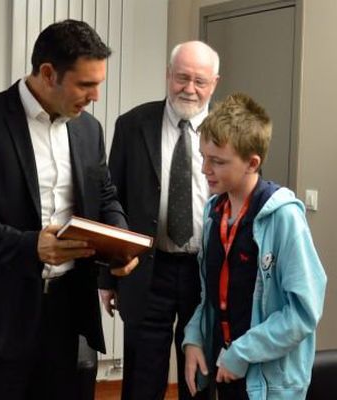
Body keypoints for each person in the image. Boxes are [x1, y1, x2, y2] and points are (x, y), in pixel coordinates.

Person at [0, 20, 137, 400]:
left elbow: (104, 195)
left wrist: (120, 242)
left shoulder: (88, 130)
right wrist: (30, 246)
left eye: (99, 84)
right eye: (85, 85)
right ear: (47, 73)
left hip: (65, 312)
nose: (95, 96)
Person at [183, 93, 327, 400]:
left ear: (252, 163)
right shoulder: (214, 213)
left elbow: (304, 311)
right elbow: (210, 297)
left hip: (268, 382)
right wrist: (194, 338)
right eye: (203, 157)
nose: (205, 169)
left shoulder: (284, 217)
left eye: (218, 162)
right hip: (226, 370)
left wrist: (242, 352)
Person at [101, 41, 219, 399]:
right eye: (182, 77)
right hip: (146, 271)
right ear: (168, 76)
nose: (190, 89)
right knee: (141, 377)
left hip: (206, 271)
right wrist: (107, 274)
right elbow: (111, 201)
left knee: (199, 376)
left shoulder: (230, 132)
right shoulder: (133, 125)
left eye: (200, 81)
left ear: (215, 82)